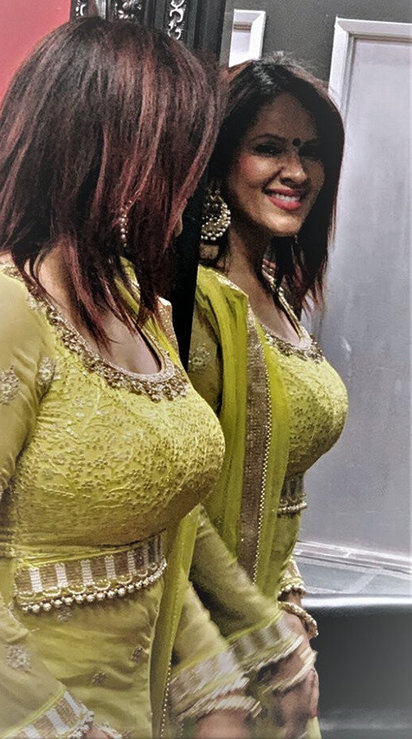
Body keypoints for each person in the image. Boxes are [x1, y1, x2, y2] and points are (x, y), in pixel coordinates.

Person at [0, 17, 259, 739]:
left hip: (136, 707)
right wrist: (73, 729)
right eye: (179, 155)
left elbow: (164, 533)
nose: (194, 182)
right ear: (108, 153)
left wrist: (213, 684)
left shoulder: (135, 304)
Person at [188, 57, 348, 738]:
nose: (297, 171)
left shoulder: (278, 290)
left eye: (310, 152)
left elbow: (277, 488)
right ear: (220, 160)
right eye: (269, 147)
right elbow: (176, 499)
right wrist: (255, 630)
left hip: (275, 628)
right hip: (204, 644)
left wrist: (286, 597)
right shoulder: (191, 301)